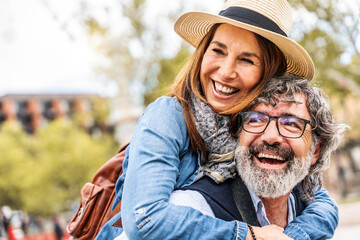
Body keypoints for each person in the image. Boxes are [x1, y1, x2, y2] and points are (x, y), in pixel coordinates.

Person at [95, 0, 339, 239]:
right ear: (202, 53)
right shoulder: (168, 116)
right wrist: (246, 234)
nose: (225, 71)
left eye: (246, 60)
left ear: (269, 73)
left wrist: (293, 235)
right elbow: (145, 219)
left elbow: (318, 198)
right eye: (218, 51)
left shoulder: (253, 125)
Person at [170, 75, 347, 239]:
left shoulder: (309, 205)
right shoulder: (192, 208)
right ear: (237, 135)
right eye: (255, 119)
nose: (270, 137)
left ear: (316, 150)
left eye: (291, 123)